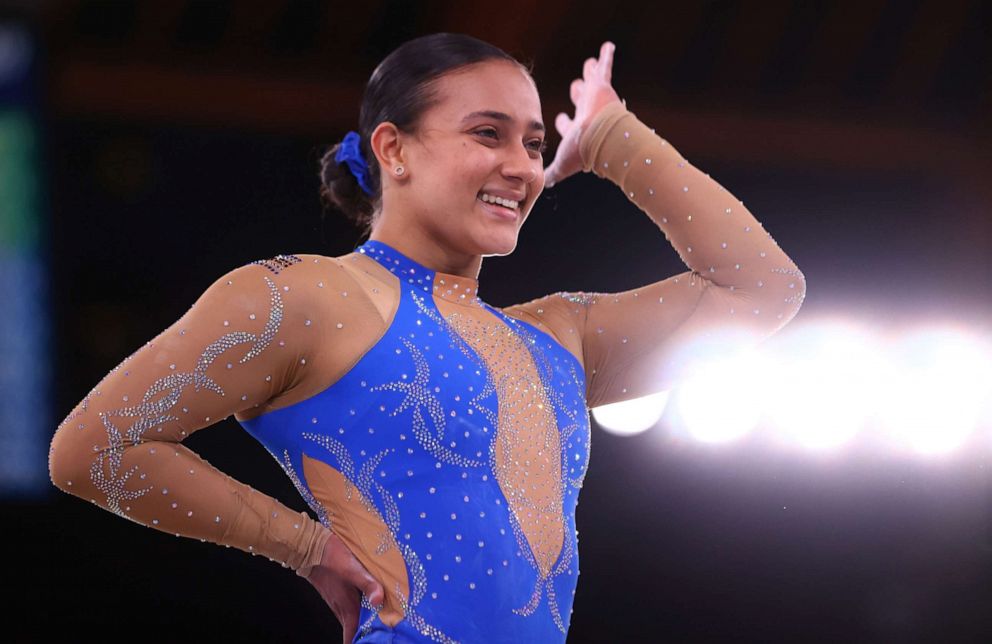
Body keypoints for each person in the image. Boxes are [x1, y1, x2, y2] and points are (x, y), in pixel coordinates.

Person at [48, 33, 805, 643]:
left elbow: (764, 289)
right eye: (488, 134)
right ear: (394, 149)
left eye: (535, 146)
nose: (521, 167)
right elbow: (93, 449)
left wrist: (613, 140)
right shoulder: (306, 296)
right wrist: (305, 547)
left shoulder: (557, 334)